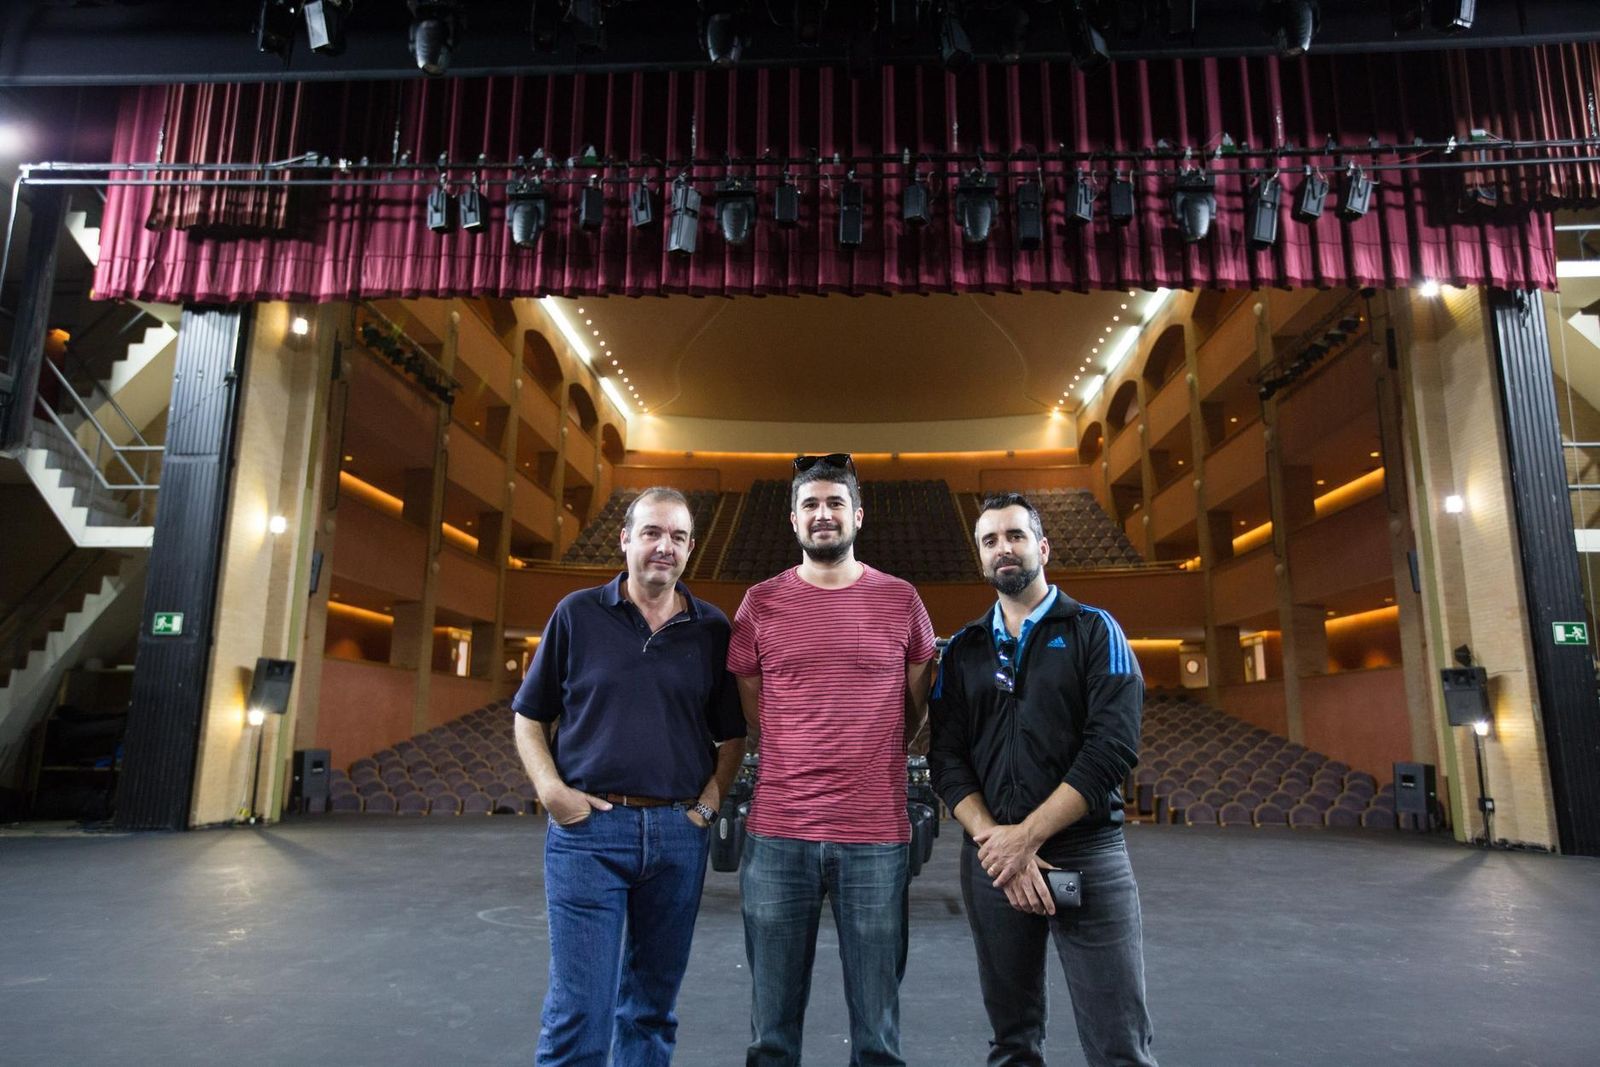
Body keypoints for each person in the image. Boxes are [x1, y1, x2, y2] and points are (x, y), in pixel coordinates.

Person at [513, 486, 746, 1067]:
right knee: (579, 1011)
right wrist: (552, 792)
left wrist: (710, 806)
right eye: (652, 532)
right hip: (590, 834)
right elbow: (529, 715)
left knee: (651, 1010)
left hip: (677, 836)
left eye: (678, 537)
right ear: (625, 539)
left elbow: (733, 735)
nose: (664, 547)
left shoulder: (711, 628)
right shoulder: (576, 614)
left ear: (690, 549)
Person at [929, 492, 1157, 1067]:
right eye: (989, 541)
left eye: (1015, 536)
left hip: (1086, 855)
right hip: (993, 862)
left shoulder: (1095, 630)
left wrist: (1025, 836)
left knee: (1118, 1045)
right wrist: (998, 841)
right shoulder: (963, 651)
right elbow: (946, 759)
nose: (1003, 548)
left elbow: (1112, 750)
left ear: (1042, 547)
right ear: (981, 559)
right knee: (1012, 1043)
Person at [727, 454, 937, 1067]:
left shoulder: (901, 600)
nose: (824, 515)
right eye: (812, 505)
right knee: (771, 1034)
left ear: (858, 515)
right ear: (793, 519)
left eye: (835, 503)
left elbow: (915, 698)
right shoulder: (759, 604)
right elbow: (753, 704)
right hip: (777, 835)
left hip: (874, 836)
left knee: (877, 1035)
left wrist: (873, 747)